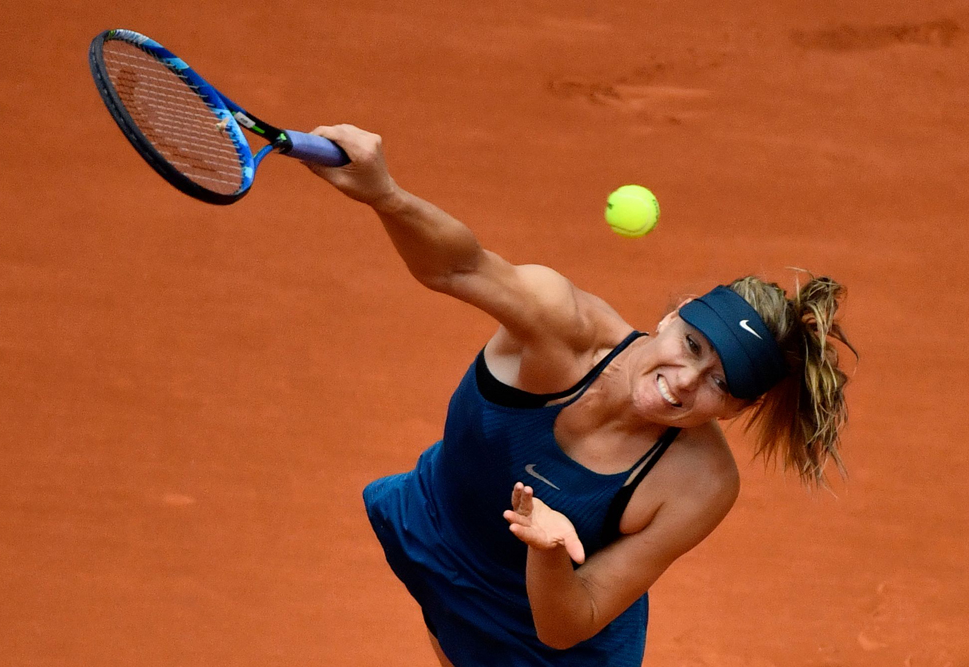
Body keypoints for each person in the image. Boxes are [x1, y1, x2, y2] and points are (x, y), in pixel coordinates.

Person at [306, 125, 857, 666]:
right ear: (672, 316)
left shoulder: (700, 483)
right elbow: (458, 266)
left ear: (739, 409)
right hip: (435, 532)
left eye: (721, 383)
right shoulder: (560, 325)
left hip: (542, 639)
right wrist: (385, 194)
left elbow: (570, 623)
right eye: (692, 345)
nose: (687, 379)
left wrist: (548, 554)